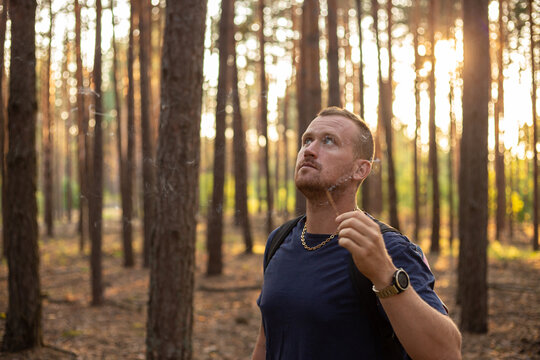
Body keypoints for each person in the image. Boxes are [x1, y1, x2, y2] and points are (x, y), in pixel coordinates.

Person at [251, 107, 462, 359]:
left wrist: (384, 273)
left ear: (360, 169)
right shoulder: (280, 239)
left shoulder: (388, 248)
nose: (309, 149)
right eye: (307, 140)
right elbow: (266, 340)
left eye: (329, 141)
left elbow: (447, 353)